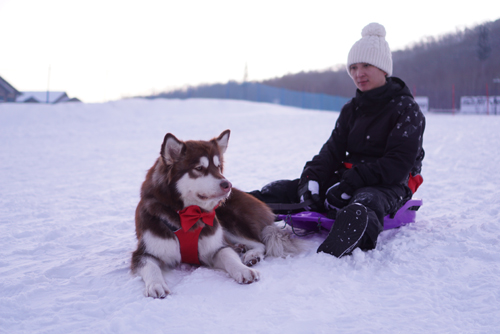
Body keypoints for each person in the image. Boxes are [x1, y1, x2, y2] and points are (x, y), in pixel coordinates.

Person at [249, 22, 425, 258]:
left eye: (366, 65)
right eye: (353, 67)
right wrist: (311, 178)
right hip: (347, 180)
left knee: (366, 201)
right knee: (283, 190)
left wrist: (351, 183)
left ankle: (347, 237)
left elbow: (398, 165)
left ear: (383, 69)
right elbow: (331, 152)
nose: (358, 73)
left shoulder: (407, 110)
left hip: (389, 184)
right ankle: (236, 208)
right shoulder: (351, 110)